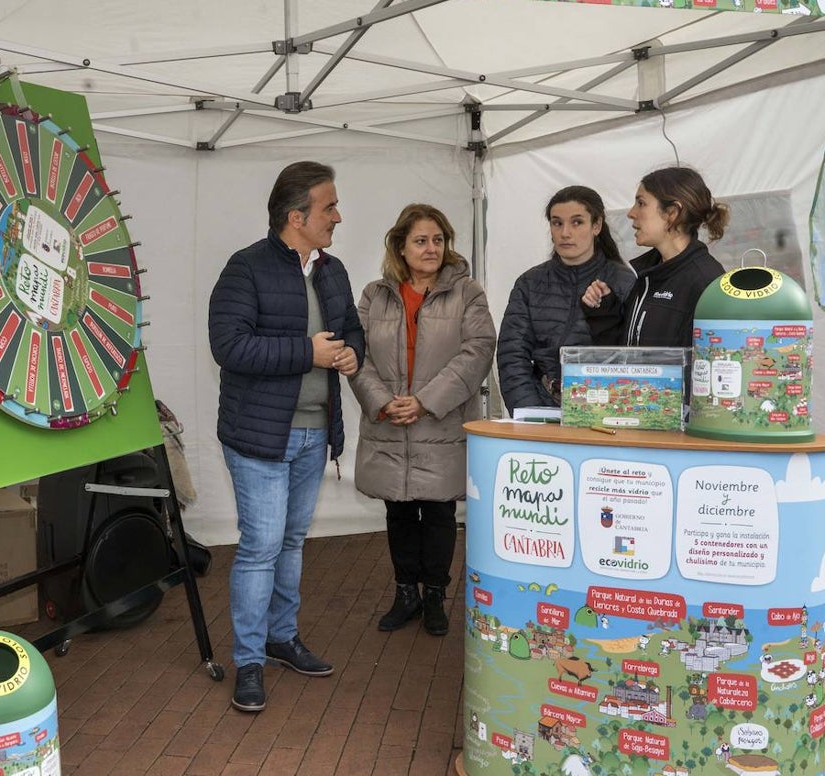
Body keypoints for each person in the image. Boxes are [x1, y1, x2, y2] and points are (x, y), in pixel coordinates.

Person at [208, 160, 365, 713]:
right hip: (259, 438)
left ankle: (281, 638)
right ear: (296, 216)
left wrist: (349, 353)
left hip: (314, 432)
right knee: (260, 549)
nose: (338, 217)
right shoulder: (245, 268)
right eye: (329, 207)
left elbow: (351, 332)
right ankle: (249, 660)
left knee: (291, 544)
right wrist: (309, 353)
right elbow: (229, 346)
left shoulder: (334, 270)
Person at [348, 204, 494, 636]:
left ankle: (434, 595)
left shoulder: (468, 293)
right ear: (401, 246)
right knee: (397, 512)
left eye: (437, 240)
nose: (431, 249)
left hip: (440, 423)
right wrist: (382, 400)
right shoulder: (375, 295)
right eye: (420, 240)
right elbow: (356, 355)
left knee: (437, 514)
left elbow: (478, 352)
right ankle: (405, 594)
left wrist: (426, 401)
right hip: (388, 421)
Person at [497, 186, 636, 413]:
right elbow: (512, 355)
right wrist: (530, 412)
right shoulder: (530, 283)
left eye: (577, 222)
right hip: (541, 403)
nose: (565, 233)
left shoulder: (622, 280)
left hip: (605, 408)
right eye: (557, 223)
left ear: (597, 225)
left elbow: (633, 355)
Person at [583, 166, 729, 347]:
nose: (631, 213)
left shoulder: (706, 282)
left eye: (641, 203)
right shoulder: (648, 275)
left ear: (672, 213)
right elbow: (629, 353)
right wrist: (605, 310)